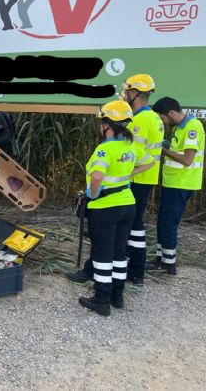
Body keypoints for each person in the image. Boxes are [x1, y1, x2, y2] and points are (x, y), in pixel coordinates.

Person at [66, 74, 164, 286]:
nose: (125, 95)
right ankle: (132, 273)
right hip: (139, 180)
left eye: (127, 91)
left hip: (127, 183)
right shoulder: (154, 117)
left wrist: (95, 192)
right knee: (133, 229)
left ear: (135, 92)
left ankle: (100, 273)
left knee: (108, 232)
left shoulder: (139, 120)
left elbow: (123, 154)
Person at [79, 101, 153, 316]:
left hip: (105, 206)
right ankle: (117, 296)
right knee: (119, 252)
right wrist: (128, 175)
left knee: (102, 253)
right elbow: (149, 162)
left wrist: (92, 194)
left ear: (107, 124)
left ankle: (101, 300)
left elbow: (97, 176)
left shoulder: (105, 148)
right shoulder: (131, 146)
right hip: (127, 204)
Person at [147, 97, 205, 275]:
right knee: (163, 221)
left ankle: (168, 264)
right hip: (173, 182)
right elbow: (177, 148)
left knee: (169, 223)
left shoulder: (192, 128)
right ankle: (160, 258)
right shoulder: (180, 127)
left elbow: (187, 160)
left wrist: (162, 150)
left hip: (181, 183)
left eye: (163, 119)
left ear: (171, 113)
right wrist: (165, 144)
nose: (164, 122)